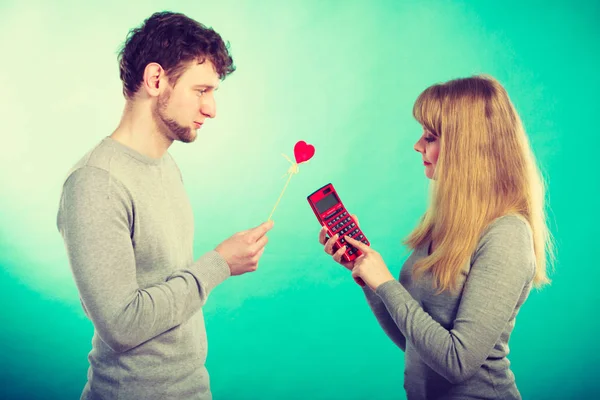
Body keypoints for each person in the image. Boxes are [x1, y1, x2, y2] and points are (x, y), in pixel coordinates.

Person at [57, 11, 274, 400]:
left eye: (213, 93)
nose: (212, 109)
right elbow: (121, 325)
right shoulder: (95, 183)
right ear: (156, 80)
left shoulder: (166, 165)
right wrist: (220, 263)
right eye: (201, 91)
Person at [319, 75, 553, 399]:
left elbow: (457, 361)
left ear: (467, 147)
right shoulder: (444, 224)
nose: (417, 146)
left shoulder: (507, 235)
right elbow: (417, 344)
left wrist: (385, 282)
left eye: (430, 137)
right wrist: (366, 274)